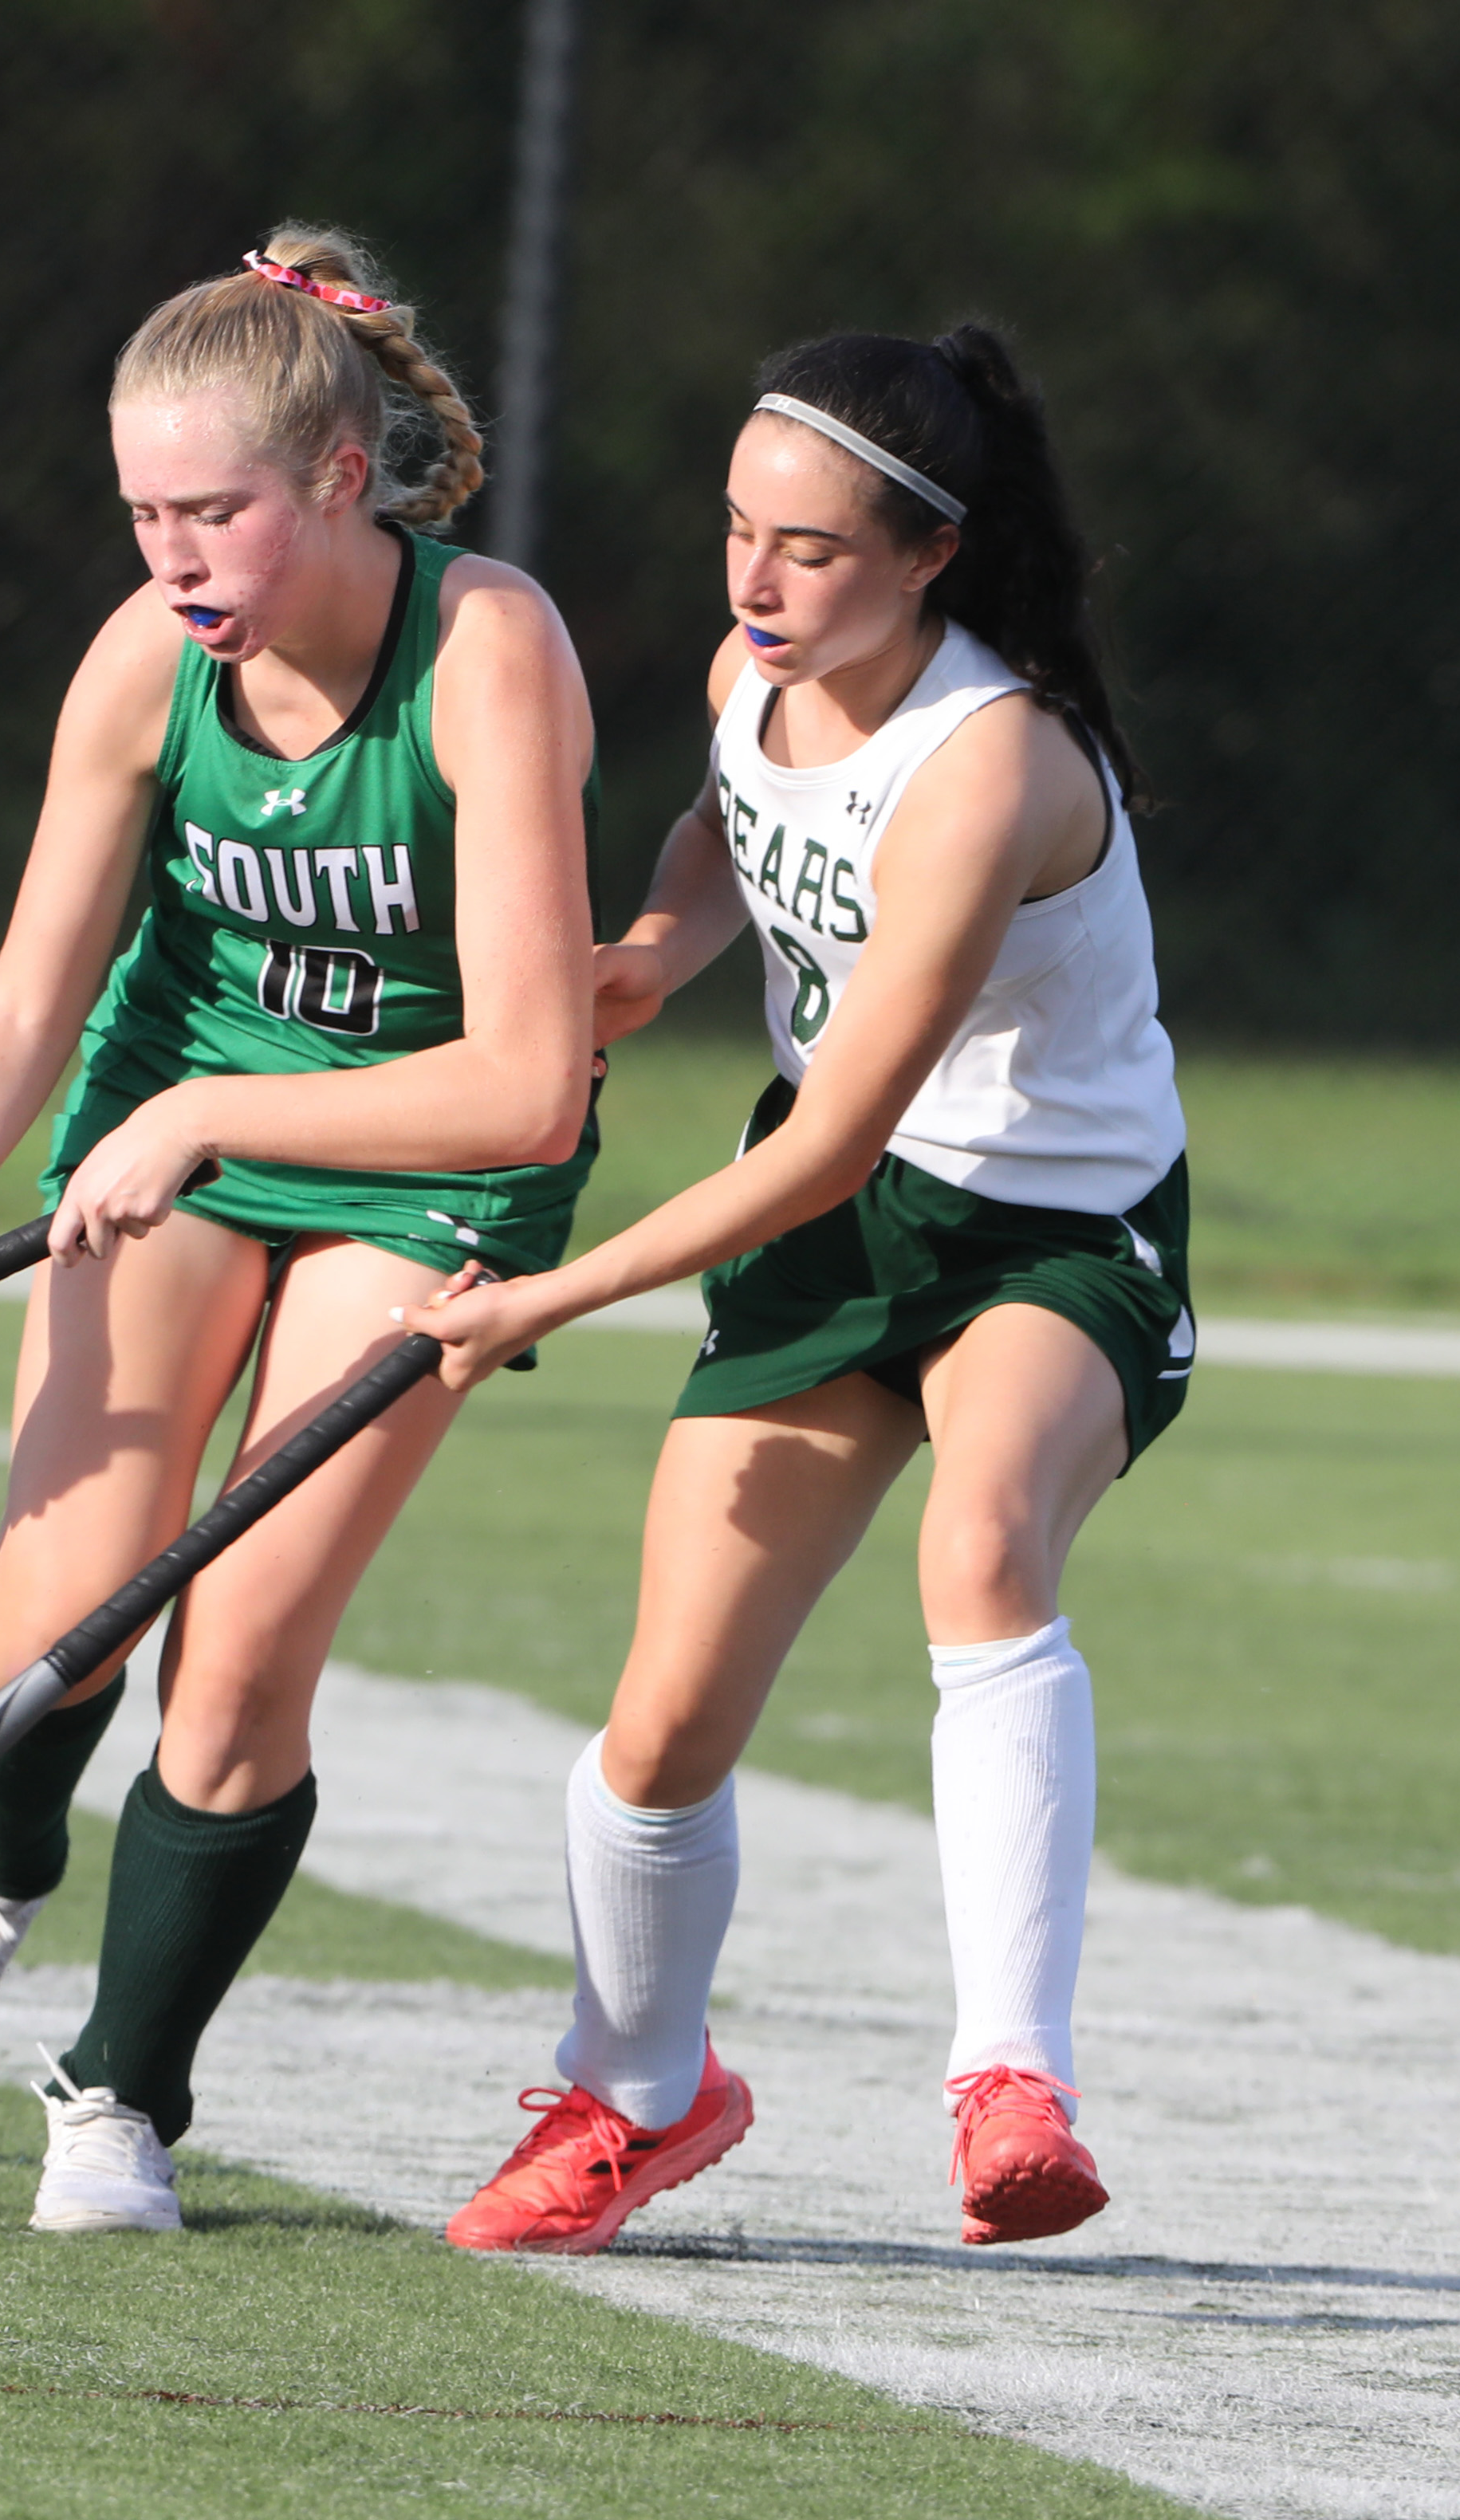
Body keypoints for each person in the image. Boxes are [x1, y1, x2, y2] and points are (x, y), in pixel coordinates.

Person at [0, 229, 600, 2234]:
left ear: (340, 481)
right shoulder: (138, 662)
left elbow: (530, 1078)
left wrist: (207, 1110)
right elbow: (25, 1003)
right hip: (170, 1131)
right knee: (52, 1614)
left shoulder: (490, 650)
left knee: (238, 1653)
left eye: (215, 514)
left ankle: (120, 2094)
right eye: (142, 515)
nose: (174, 558)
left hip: (426, 1165)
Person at [416, 324, 1189, 2256]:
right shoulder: (752, 674)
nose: (755, 582)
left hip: (1045, 1233)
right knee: (661, 1727)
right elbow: (723, 828)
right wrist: (655, 955)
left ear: (927, 556)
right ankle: (640, 2094)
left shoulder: (991, 767)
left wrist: (545, 1296)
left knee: (984, 1544)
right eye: (738, 533)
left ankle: (1009, 2084)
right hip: (833, 1238)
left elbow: (830, 1140)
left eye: (813, 552)